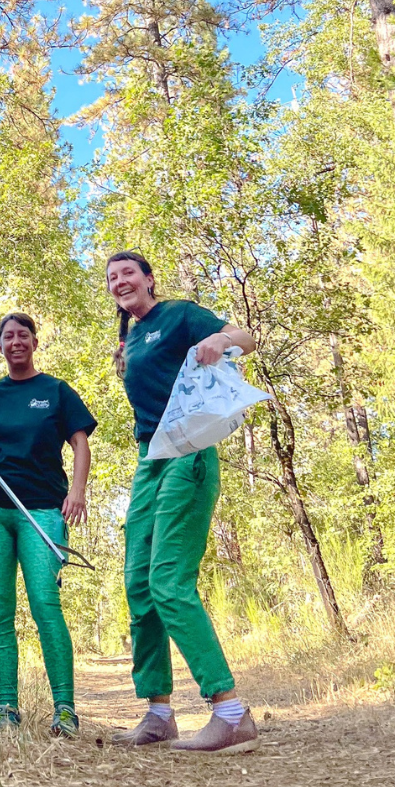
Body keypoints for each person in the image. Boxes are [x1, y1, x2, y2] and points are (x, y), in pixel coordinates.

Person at [105, 250, 260, 753]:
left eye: (128, 272)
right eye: (112, 278)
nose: (120, 281)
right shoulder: (128, 338)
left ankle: (230, 712)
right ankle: (158, 712)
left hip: (187, 451)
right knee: (139, 584)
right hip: (149, 459)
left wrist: (218, 338)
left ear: (149, 280)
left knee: (168, 579)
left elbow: (246, 338)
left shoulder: (180, 314)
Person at [0, 312, 96, 737]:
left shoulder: (55, 391)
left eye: (23, 336)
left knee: (45, 605)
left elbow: (79, 442)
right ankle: (6, 709)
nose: (15, 342)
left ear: (35, 342)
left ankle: (65, 709)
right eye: (7, 337)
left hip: (42, 511)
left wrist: (77, 492)